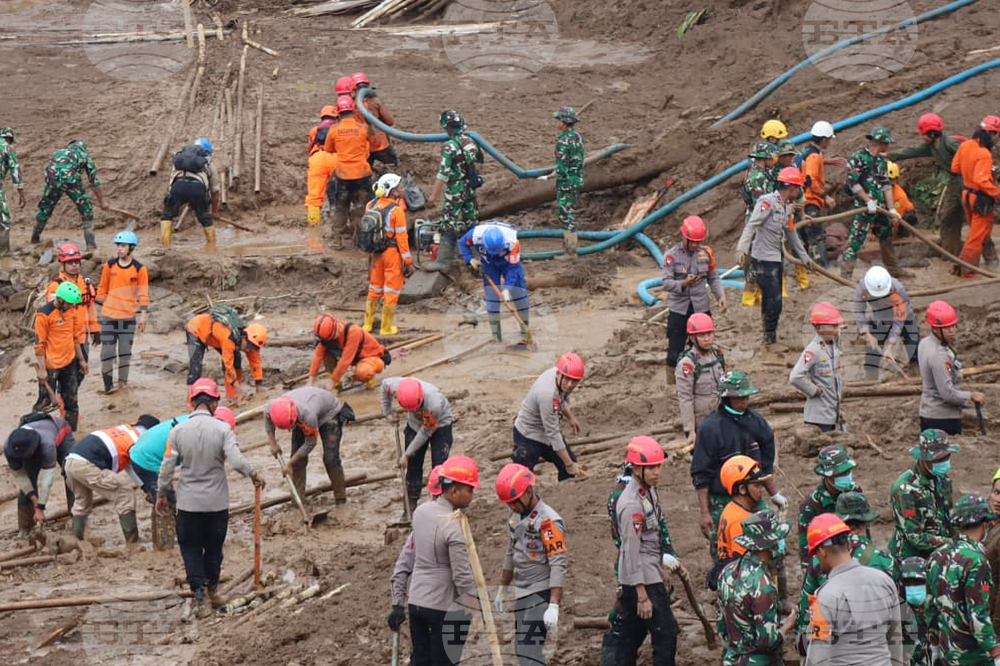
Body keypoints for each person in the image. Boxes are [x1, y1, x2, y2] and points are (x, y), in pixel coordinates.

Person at [157, 379, 264, 617]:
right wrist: (254, 475)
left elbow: (166, 468)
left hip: (188, 505)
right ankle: (213, 589)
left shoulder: (177, 431)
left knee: (191, 548)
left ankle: (200, 597)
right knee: (214, 548)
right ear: (214, 402)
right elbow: (236, 462)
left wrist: (161, 493)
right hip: (216, 504)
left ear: (193, 402)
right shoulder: (223, 429)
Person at [691, 370, 785, 563]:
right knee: (724, 547)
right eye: (738, 397)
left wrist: (774, 493)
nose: (743, 401)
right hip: (721, 498)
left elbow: (765, 465)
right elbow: (701, 474)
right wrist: (705, 513)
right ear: (726, 398)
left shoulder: (756, 422)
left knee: (768, 540)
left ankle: (769, 583)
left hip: (753, 493)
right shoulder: (710, 428)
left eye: (746, 396)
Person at [404, 454, 479, 666]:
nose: (472, 495)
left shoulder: (420, 512)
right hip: (444, 608)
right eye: (470, 489)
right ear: (454, 491)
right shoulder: (454, 525)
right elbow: (462, 574)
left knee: (421, 660)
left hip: (417, 601)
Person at [795, 492, 894, 649]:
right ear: (865, 523)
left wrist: (803, 646)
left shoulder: (820, 558)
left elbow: (806, 610)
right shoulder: (884, 560)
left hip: (831, 648)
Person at [804, 513, 903, 665]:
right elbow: (896, 640)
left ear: (822, 551)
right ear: (848, 544)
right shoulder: (885, 581)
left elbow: (817, 657)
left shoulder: (825, 597)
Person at [616, 436, 681, 666]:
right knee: (666, 634)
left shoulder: (648, 491)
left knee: (630, 636)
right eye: (651, 467)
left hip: (649, 571)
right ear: (635, 469)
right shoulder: (632, 504)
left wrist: (661, 565)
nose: (657, 472)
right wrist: (642, 595)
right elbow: (631, 552)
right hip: (641, 578)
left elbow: (653, 535)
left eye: (658, 466)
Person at [493, 463, 567, 666]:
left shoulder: (548, 521)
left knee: (529, 649)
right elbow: (511, 551)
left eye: (514, 502)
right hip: (522, 591)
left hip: (541, 592)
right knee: (522, 648)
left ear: (527, 492)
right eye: (508, 504)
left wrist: (553, 604)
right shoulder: (515, 516)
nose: (512, 507)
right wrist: (503, 587)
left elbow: (558, 563)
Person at [735, 166, 813, 346]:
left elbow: (792, 234)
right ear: (792, 187)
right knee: (774, 300)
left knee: (771, 300)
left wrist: (805, 258)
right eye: (798, 188)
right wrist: (742, 249)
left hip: (776, 260)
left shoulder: (786, 208)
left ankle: (769, 334)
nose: (799, 192)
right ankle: (770, 336)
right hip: (762, 260)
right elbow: (752, 225)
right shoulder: (767, 202)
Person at [926, 494, 1000, 665]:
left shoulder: (936, 556)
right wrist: (995, 653)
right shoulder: (976, 562)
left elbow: (930, 607)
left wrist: (935, 644)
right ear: (984, 524)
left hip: (947, 654)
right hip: (974, 657)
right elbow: (977, 615)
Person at [64, 414, 159, 543]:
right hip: (87, 465)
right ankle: (133, 542)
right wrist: (151, 488)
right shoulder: (138, 441)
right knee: (125, 494)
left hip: (70, 462)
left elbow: (129, 466)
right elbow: (139, 467)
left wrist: (144, 487)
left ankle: (76, 542)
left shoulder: (124, 431)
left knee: (82, 502)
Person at [717, 510, 794, 665]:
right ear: (769, 545)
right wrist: (788, 625)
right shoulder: (763, 587)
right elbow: (768, 642)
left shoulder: (727, 572)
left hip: (732, 658)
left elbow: (722, 625)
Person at [889, 113, 966, 256]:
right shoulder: (931, 147)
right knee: (947, 218)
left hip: (967, 184)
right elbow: (912, 151)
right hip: (953, 184)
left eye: (923, 134)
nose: (922, 137)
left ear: (932, 133)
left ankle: (989, 255)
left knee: (976, 220)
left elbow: (971, 155)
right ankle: (950, 253)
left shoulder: (950, 144)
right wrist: (888, 155)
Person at [661, 215, 725, 385]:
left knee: (705, 344)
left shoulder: (706, 254)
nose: (695, 245)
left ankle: (705, 377)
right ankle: (672, 382)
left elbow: (713, 277)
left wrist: (721, 296)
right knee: (675, 347)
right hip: (679, 309)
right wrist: (683, 283)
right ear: (684, 237)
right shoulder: (671, 256)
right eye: (692, 242)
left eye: (698, 242)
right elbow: (666, 283)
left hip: (700, 308)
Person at [265, 387, 353, 504]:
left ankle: (340, 499)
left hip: (329, 414)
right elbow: (267, 419)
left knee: (330, 458)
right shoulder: (272, 406)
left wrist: (289, 463)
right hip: (305, 411)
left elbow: (310, 443)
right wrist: (273, 443)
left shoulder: (308, 414)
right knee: (297, 460)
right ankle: (297, 502)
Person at [841, 126, 908, 279]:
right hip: (864, 209)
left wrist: (891, 209)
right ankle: (845, 276)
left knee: (887, 234)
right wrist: (867, 200)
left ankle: (894, 270)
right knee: (855, 241)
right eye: (887, 143)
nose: (888, 146)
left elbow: (886, 185)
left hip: (880, 208)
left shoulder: (881, 161)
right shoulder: (857, 158)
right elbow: (853, 183)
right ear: (881, 142)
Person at [381, 377, 453, 519]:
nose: (414, 411)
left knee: (439, 468)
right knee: (413, 466)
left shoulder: (434, 404)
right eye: (410, 409)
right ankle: (410, 507)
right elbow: (384, 386)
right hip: (415, 425)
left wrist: (406, 454)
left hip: (440, 425)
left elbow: (425, 433)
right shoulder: (394, 386)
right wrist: (387, 411)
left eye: (416, 407)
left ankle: (439, 505)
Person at [387, 466, 443, 637]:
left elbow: (402, 567)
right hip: (439, 609)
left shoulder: (422, 521)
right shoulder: (453, 528)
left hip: (421, 605)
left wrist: (397, 604)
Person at [425, 110, 483, 270]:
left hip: (455, 189)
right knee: (471, 220)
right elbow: (479, 159)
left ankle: (443, 261)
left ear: (448, 128)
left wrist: (433, 197)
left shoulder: (449, 147)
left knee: (448, 222)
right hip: (470, 188)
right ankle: (477, 256)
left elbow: (443, 174)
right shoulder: (471, 142)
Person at [512, 352, 584, 481]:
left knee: (569, 472)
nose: (569, 384)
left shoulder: (559, 379)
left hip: (545, 432)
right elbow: (553, 432)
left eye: (574, 381)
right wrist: (569, 464)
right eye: (567, 379)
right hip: (528, 434)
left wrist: (570, 417)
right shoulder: (547, 394)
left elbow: (560, 399)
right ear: (559, 374)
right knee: (521, 478)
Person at [889, 429, 957, 562]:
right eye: (938, 459)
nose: (943, 462)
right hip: (912, 559)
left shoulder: (943, 480)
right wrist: (952, 543)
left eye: (946, 457)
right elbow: (915, 537)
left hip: (940, 553)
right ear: (922, 458)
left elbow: (950, 517)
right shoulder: (905, 489)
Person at [95, 230, 149, 394]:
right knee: (107, 352)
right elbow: (102, 288)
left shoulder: (140, 269)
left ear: (131, 248)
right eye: (118, 245)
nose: (119, 249)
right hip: (109, 318)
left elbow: (143, 293)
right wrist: (95, 310)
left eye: (123, 246)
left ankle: (123, 384)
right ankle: (108, 385)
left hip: (128, 319)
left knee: (125, 353)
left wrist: (143, 316)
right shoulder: (109, 265)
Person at [918, 300, 984, 434]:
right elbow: (947, 394)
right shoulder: (938, 355)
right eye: (947, 328)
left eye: (954, 326)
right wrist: (971, 395)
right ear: (935, 328)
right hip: (942, 419)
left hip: (929, 413)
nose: (953, 331)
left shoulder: (925, 343)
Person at [3, 413, 75, 536]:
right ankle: (25, 528)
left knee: (71, 472)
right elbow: (21, 477)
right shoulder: (9, 447)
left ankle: (77, 516)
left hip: (60, 432)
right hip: (34, 442)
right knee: (29, 479)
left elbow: (46, 480)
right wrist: (35, 501)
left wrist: (40, 508)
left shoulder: (46, 444)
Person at [459, 221, 530, 345]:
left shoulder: (513, 242)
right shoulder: (475, 236)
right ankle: (497, 338)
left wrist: (507, 289)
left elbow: (513, 269)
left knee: (519, 293)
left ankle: (525, 330)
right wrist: (470, 259)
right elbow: (462, 243)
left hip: (508, 264)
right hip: (488, 264)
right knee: (492, 298)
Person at [362, 173, 414, 335]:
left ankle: (367, 325)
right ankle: (385, 328)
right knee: (391, 290)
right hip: (391, 254)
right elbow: (402, 238)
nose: (402, 188)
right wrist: (408, 261)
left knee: (374, 288)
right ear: (392, 191)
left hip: (375, 254)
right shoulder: (396, 211)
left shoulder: (370, 206)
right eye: (399, 187)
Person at [32, 140, 108, 250]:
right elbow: (94, 182)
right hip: (70, 179)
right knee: (86, 210)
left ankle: (34, 240)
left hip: (52, 179)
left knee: (45, 208)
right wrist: (102, 202)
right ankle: (91, 245)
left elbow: (50, 168)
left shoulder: (58, 152)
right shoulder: (85, 155)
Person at [796, 446, 862, 570]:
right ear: (826, 475)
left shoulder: (855, 491)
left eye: (848, 471)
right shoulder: (811, 506)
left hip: (857, 560)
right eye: (841, 474)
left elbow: (863, 530)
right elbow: (808, 552)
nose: (846, 476)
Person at [323, 95, 375, 250]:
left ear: (338, 112)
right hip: (362, 174)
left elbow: (328, 149)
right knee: (363, 206)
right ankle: (360, 238)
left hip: (343, 176)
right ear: (353, 110)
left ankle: (337, 240)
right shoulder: (362, 128)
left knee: (341, 207)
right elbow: (375, 141)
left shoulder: (333, 130)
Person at [185, 305, 268, 402]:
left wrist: (259, 384)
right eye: (249, 347)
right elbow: (228, 365)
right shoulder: (228, 338)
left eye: (253, 348)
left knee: (237, 359)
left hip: (215, 337)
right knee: (195, 366)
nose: (249, 350)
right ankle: (191, 402)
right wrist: (238, 388)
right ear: (244, 338)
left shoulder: (252, 342)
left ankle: (233, 395)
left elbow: (256, 362)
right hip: (196, 329)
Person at [951, 115, 1000, 276]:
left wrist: (969, 171)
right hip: (981, 199)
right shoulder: (984, 154)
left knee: (980, 232)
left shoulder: (965, 146)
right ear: (992, 134)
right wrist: (998, 193)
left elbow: (955, 168)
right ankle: (966, 271)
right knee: (976, 238)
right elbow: (982, 181)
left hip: (967, 195)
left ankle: (992, 260)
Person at [33, 282, 87, 429]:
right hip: (50, 366)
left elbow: (75, 337)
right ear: (61, 300)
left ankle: (69, 433)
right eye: (69, 304)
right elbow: (39, 345)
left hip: (69, 363)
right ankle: (35, 430)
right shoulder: (43, 314)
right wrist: (43, 370)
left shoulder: (71, 311)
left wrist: (81, 360)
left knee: (71, 402)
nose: (72, 307)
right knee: (44, 402)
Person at [854, 265, 919, 381]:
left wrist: (889, 347)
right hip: (879, 318)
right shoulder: (862, 288)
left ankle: (917, 375)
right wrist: (866, 333)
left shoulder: (898, 288)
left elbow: (899, 321)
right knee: (871, 353)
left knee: (914, 347)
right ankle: (870, 382)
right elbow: (859, 311)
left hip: (905, 317)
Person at [45, 243, 100, 380]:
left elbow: (90, 307)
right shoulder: (56, 286)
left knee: (80, 374)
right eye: (70, 262)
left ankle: (65, 399)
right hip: (65, 339)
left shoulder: (86, 284)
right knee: (66, 378)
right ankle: (62, 399)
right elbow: (52, 314)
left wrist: (95, 329)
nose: (74, 265)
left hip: (83, 338)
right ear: (62, 264)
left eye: (76, 261)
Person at [789, 301, 844, 432]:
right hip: (818, 419)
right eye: (832, 326)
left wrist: (838, 411)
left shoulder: (833, 348)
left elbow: (834, 383)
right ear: (818, 328)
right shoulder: (813, 350)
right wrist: (814, 391)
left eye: (837, 325)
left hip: (831, 415)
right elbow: (795, 377)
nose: (836, 330)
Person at [794, 120, 842, 268]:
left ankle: (804, 267)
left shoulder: (807, 152)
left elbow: (808, 162)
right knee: (816, 236)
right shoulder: (814, 157)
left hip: (800, 200)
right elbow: (811, 180)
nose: (829, 143)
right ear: (823, 140)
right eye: (828, 140)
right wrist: (825, 196)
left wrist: (827, 162)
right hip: (810, 201)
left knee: (802, 237)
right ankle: (822, 268)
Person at [159, 138, 221, 250]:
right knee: (204, 217)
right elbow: (215, 192)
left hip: (178, 187)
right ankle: (212, 246)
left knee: (167, 215)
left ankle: (165, 247)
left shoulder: (180, 160)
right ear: (208, 152)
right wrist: (215, 212)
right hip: (198, 189)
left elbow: (171, 183)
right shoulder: (209, 163)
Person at [675, 312, 726, 446]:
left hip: (721, 417)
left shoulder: (717, 354)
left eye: (709, 334)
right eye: (702, 335)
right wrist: (690, 430)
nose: (707, 339)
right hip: (702, 424)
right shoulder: (687, 364)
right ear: (692, 338)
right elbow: (685, 398)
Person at [738, 142, 777, 307]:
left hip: (758, 220)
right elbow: (761, 204)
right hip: (759, 222)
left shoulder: (759, 174)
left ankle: (757, 294)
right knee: (756, 258)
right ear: (764, 157)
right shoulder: (758, 177)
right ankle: (750, 294)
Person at [308, 312, 387, 390]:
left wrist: (333, 381)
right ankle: (337, 385)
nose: (330, 341)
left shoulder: (353, 332)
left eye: (331, 338)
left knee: (364, 371)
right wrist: (311, 380)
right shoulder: (328, 336)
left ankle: (371, 382)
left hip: (371, 357)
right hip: (355, 358)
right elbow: (318, 356)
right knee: (326, 353)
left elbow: (346, 360)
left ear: (337, 326)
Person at [716, 455, 768, 564]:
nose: (762, 490)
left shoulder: (731, 507)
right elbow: (743, 562)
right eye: (756, 486)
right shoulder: (740, 521)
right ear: (742, 489)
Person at [549, 106, 584, 260]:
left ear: (564, 122)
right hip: (577, 179)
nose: (557, 122)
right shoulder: (577, 137)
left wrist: (553, 175)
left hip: (565, 182)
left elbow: (562, 167)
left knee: (565, 214)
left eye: (558, 120)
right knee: (569, 210)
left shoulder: (563, 141)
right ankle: (570, 248)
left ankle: (571, 252)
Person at [353, 72, 399, 169]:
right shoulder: (375, 101)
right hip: (381, 145)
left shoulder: (350, 105)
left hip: (362, 147)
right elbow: (390, 121)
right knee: (393, 170)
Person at [899, 556, 931, 666]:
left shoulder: (936, 609)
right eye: (908, 583)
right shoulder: (900, 613)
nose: (913, 587)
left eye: (918, 582)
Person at [0, 127, 25, 256]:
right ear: (9, 138)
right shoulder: (7, 147)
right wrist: (21, 193)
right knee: (3, 219)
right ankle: (3, 252)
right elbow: (15, 170)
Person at [306, 140, 338, 227]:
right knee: (342, 192)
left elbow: (311, 147)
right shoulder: (341, 128)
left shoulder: (315, 130)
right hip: (338, 157)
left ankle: (313, 224)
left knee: (314, 196)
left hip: (318, 158)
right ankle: (337, 222)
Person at [886, 160, 918, 237]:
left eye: (892, 180)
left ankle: (903, 233)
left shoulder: (899, 196)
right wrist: (871, 231)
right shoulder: (875, 189)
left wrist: (892, 235)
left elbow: (896, 218)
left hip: (903, 214)